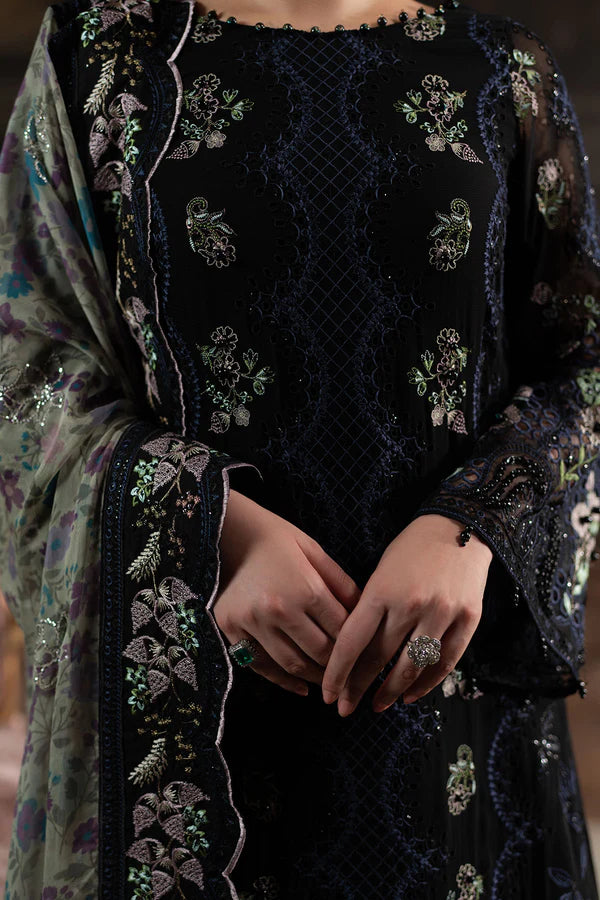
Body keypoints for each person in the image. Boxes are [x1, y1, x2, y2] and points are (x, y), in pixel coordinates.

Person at [1, 0, 599, 896]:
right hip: (193, 718)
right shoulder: (103, 54)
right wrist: (215, 531)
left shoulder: (502, 72)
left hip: (454, 731)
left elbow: (581, 360)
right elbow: (25, 372)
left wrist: (473, 526)